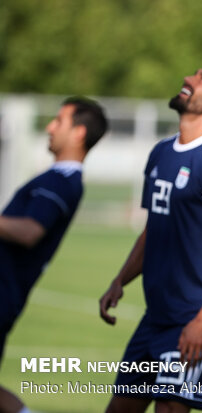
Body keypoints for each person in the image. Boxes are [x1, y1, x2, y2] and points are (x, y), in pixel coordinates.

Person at [99, 58, 202, 413]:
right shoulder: (161, 152)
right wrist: (121, 279)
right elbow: (154, 228)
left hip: (192, 320)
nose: (188, 78)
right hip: (155, 317)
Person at [0, 97, 108, 413]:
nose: (49, 127)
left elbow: (30, 231)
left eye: (58, 120)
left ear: (78, 133)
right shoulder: (57, 179)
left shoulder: (62, 182)